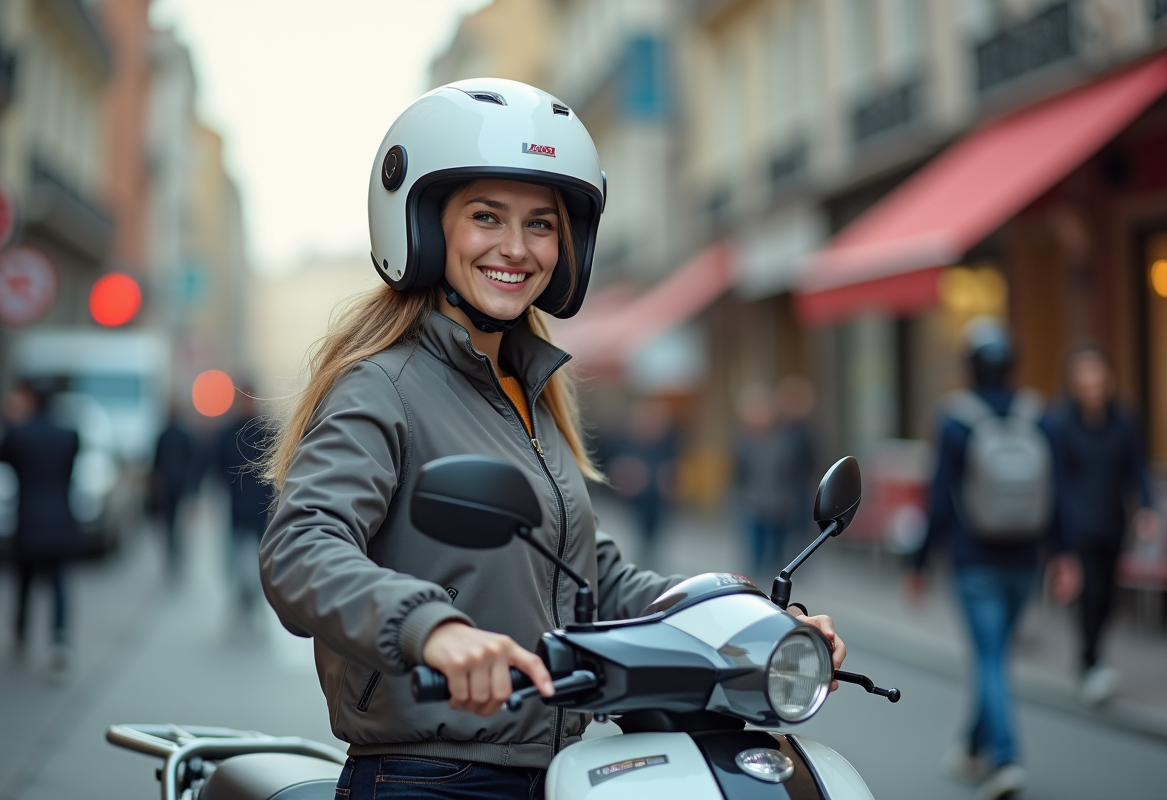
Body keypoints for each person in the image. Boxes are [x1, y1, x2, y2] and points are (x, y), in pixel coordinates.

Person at [258, 79, 846, 800]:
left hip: (557, 772)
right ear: (420, 224)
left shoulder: (527, 390)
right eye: (485, 216)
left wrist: (749, 623)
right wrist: (431, 628)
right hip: (429, 777)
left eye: (541, 224)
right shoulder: (381, 385)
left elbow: (586, 581)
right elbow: (299, 549)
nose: (516, 247)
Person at [907, 318, 1066, 800]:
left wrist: (916, 563)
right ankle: (971, 748)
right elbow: (1057, 494)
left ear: (969, 366)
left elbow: (938, 500)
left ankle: (1006, 756)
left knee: (990, 657)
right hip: (1026, 560)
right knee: (995, 656)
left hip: (973, 560)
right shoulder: (1038, 414)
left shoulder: (955, 418)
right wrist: (1062, 553)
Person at [1045, 346, 1155, 706]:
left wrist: (1148, 507)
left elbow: (1137, 468)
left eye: (1097, 376)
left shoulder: (1124, 421)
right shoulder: (1061, 423)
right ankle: (1090, 661)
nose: (1092, 384)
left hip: (1112, 521)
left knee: (1108, 595)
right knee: (1089, 594)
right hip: (1077, 525)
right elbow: (1056, 479)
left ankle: (1092, 658)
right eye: (1084, 378)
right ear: (1074, 383)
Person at [1, 380, 81, 673]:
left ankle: (21, 634)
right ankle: (59, 638)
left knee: (24, 583)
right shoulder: (68, 434)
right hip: (61, 519)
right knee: (59, 583)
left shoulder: (19, 434)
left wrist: (13, 418)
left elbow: (6, 458)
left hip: (29, 521)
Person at [214, 388, 273, 624]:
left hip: (259, 507)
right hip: (237, 508)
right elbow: (218, 464)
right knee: (232, 560)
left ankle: (255, 600)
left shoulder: (266, 431)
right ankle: (240, 599)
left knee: (262, 558)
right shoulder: (229, 431)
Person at [732, 383, 794, 578]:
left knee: (777, 543)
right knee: (755, 542)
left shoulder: (783, 438)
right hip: (752, 498)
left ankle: (776, 574)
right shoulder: (743, 439)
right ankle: (757, 577)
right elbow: (738, 471)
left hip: (779, 499)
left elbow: (792, 470)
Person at [605, 398, 677, 553]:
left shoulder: (665, 442)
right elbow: (614, 467)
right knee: (634, 535)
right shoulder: (625, 441)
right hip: (633, 498)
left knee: (653, 536)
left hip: (656, 497)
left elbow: (671, 466)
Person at [150, 405, 196, 578]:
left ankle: (174, 552)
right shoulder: (180, 435)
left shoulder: (166, 435)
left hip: (171, 485)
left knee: (171, 522)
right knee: (173, 522)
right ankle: (174, 551)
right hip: (175, 485)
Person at [776, 375, 818, 545]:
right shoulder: (777, 429)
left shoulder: (809, 430)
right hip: (776, 494)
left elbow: (813, 461)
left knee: (799, 537)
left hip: (799, 491)